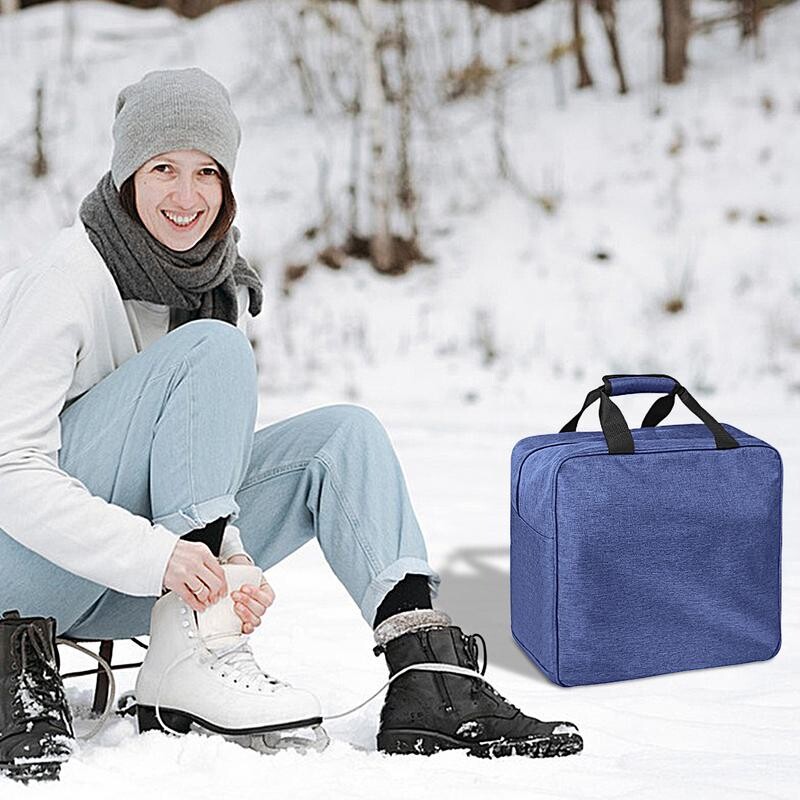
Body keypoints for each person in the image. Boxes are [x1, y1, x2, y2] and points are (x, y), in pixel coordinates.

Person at [0, 68, 582, 781]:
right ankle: (196, 646)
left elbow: (191, 472)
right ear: (126, 178)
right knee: (212, 353)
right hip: (21, 574)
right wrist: (163, 558)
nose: (187, 198)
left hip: (122, 571)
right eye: (162, 170)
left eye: (206, 171)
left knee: (344, 438)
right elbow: (11, 471)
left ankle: (427, 675)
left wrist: (229, 557)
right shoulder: (65, 280)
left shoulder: (206, 289)